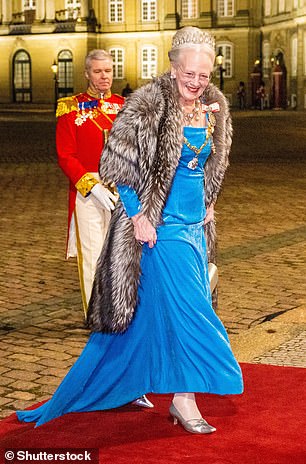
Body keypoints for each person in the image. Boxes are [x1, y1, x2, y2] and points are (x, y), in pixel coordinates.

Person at [17, 27, 243, 434]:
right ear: (173, 68)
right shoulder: (146, 105)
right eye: (189, 74)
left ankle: (126, 381)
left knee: (160, 312)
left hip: (195, 226)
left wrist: (209, 202)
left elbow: (212, 162)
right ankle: (184, 400)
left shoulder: (215, 105)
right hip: (160, 225)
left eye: (204, 76)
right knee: (194, 310)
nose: (196, 83)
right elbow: (119, 168)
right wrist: (138, 217)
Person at [55, 50, 124, 317]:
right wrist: (91, 185)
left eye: (108, 70)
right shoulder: (70, 108)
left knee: (119, 253)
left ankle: (120, 310)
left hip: (121, 187)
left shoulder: (123, 106)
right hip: (88, 191)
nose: (104, 76)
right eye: (98, 71)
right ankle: (97, 314)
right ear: (86, 73)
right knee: (93, 254)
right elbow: (66, 155)